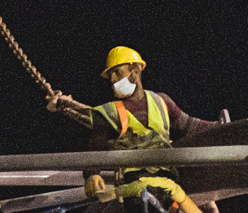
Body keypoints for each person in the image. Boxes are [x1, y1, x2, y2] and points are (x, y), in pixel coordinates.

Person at [47, 46, 221, 148]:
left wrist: (222, 127)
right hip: (134, 186)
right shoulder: (115, 111)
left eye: (117, 72)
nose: (113, 80)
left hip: (167, 179)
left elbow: (189, 125)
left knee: (210, 206)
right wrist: (64, 105)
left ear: (135, 72)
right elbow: (91, 117)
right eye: (110, 75)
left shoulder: (161, 101)